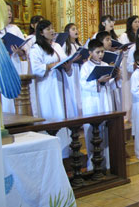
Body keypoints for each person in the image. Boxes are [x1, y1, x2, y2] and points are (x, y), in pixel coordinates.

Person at [30, 19, 75, 158]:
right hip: (47, 86)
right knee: (52, 115)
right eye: (48, 29)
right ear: (41, 32)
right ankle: (52, 153)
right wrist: (50, 65)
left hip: (60, 83)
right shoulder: (36, 48)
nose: (52, 31)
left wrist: (67, 66)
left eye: (52, 28)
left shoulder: (56, 45)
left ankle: (65, 153)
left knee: (63, 113)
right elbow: (36, 68)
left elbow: (64, 60)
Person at [80, 39, 121, 170]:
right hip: (92, 103)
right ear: (90, 52)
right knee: (93, 133)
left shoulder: (105, 64)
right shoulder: (85, 67)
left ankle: (107, 164)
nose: (101, 54)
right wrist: (98, 81)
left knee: (106, 132)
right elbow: (83, 84)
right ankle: (93, 165)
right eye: (98, 52)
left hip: (105, 100)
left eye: (102, 51)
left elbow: (111, 84)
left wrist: (116, 77)